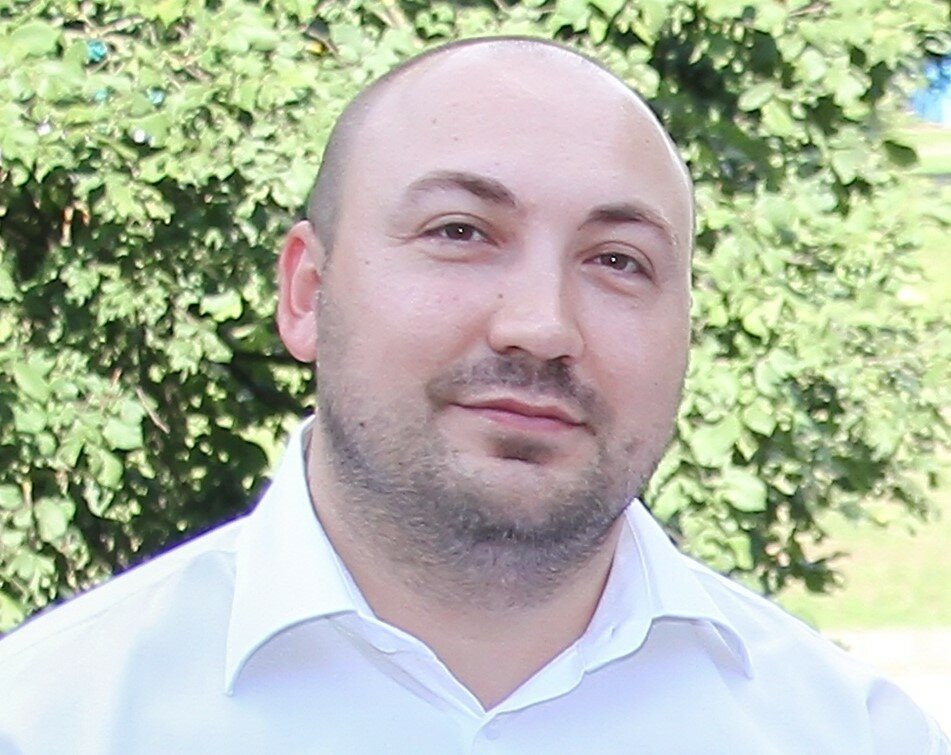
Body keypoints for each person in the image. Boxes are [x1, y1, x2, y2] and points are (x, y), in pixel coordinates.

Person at [0, 37, 947, 754]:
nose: (540, 325)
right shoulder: (51, 718)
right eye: (459, 232)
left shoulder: (849, 733)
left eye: (617, 260)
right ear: (307, 294)